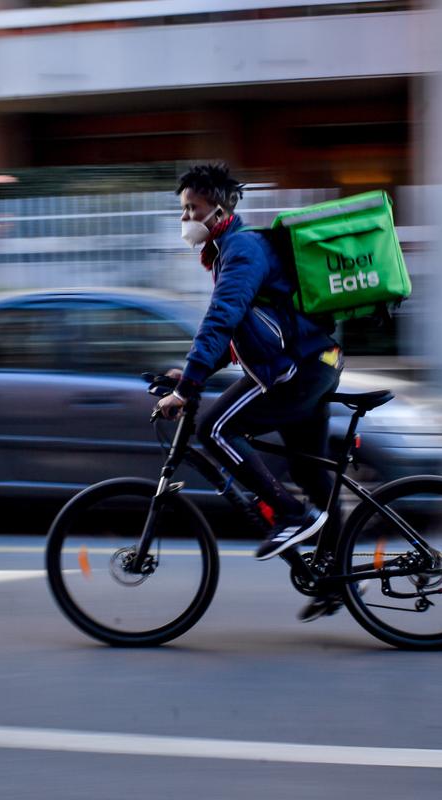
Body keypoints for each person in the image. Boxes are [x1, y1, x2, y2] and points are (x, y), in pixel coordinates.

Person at [154, 163, 344, 582]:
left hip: (296, 369)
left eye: (192, 209)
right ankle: (335, 581)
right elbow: (247, 332)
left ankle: (290, 514)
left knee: (214, 429)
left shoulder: (240, 250)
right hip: (315, 362)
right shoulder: (232, 251)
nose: (185, 219)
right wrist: (190, 372)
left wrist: (188, 387)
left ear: (219, 212)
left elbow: (221, 318)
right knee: (309, 472)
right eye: (182, 210)